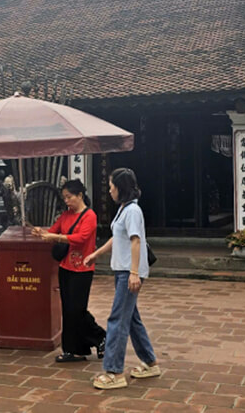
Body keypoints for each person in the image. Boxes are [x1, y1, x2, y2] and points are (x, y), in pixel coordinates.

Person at [84, 167, 160, 390]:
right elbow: (117, 239)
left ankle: (114, 372)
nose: (109, 191)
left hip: (129, 272)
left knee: (117, 319)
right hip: (123, 271)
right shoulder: (123, 209)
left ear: (121, 188)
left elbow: (136, 241)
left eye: (112, 187)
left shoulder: (133, 211)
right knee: (131, 319)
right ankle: (150, 362)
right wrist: (96, 254)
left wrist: (135, 273)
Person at [30, 179, 106, 362]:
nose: (66, 201)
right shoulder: (65, 215)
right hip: (65, 266)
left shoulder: (90, 216)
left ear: (80, 195)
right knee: (68, 310)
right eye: (64, 197)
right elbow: (54, 230)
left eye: (69, 197)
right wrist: (42, 232)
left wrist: (54, 236)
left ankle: (101, 336)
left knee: (77, 310)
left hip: (83, 268)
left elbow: (81, 238)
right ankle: (74, 349)